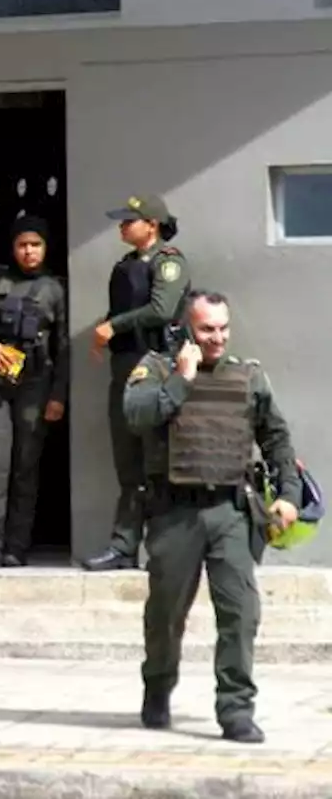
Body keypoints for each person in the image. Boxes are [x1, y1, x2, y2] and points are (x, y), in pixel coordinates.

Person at [122, 290, 298, 744]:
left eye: (223, 328)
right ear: (186, 329)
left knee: (240, 613)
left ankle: (236, 709)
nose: (217, 338)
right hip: (173, 513)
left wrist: (288, 495)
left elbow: (277, 438)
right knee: (164, 616)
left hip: (231, 511)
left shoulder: (249, 376)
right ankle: (157, 688)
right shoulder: (158, 369)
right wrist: (180, 381)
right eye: (207, 329)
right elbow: (135, 415)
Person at [82, 194, 192, 573]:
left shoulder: (169, 262)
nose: (122, 226)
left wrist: (114, 326)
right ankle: (123, 547)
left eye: (130, 220)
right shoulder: (126, 265)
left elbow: (162, 310)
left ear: (152, 224)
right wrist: (107, 337)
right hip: (126, 368)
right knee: (128, 464)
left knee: (157, 463)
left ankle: (165, 548)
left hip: (156, 368)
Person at [0, 214, 68, 569]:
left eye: (35, 245)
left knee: (26, 467)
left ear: (45, 248)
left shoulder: (55, 290)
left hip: (35, 387)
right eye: (22, 245)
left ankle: (16, 546)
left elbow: (64, 347)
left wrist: (58, 395)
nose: (28, 251)